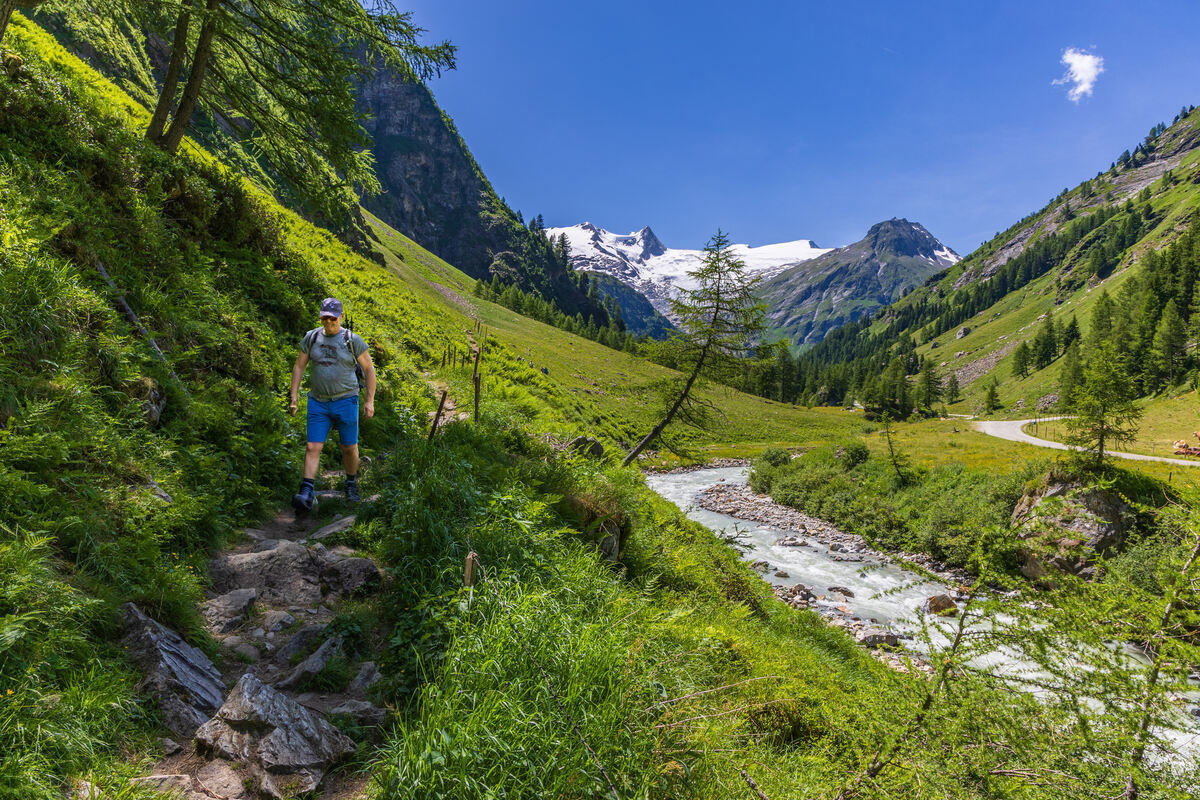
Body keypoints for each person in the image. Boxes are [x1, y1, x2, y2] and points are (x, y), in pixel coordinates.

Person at [289, 298, 376, 511]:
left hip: (347, 400)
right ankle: (306, 491)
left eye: (333, 317)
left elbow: (369, 370)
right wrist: (294, 397)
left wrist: (369, 401)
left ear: (341, 317)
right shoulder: (311, 338)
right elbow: (299, 366)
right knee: (312, 446)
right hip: (318, 402)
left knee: (348, 447)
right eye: (325, 317)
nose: (329, 321)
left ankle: (351, 484)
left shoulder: (352, 340)